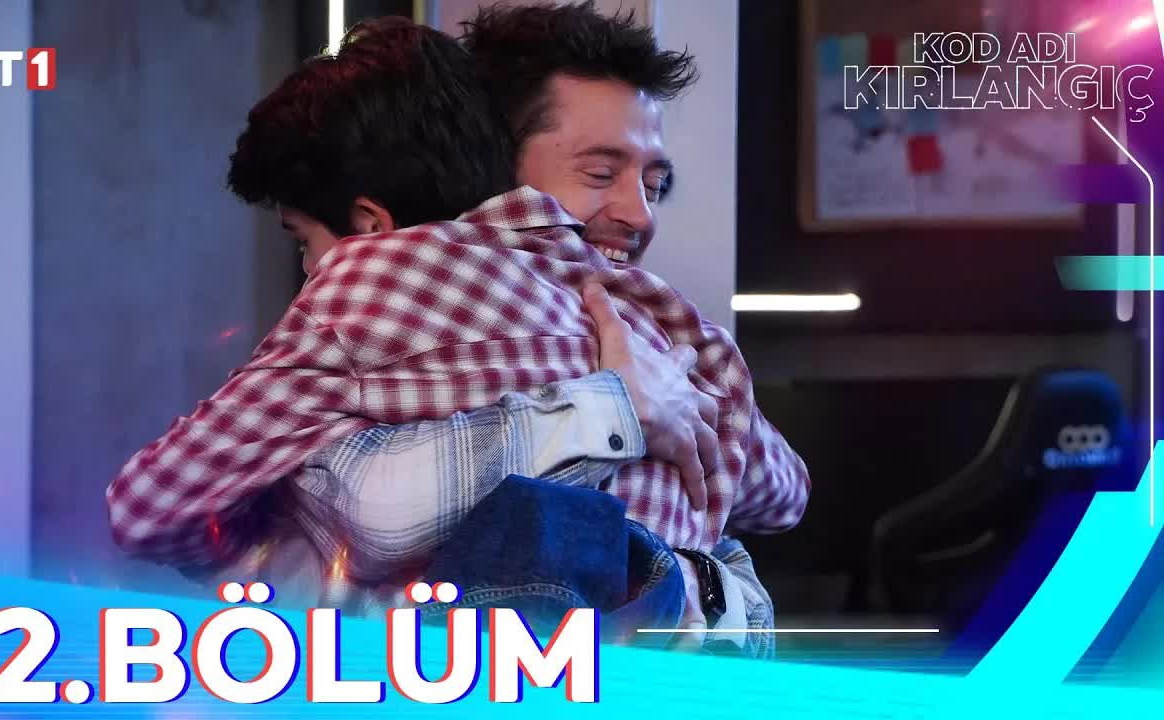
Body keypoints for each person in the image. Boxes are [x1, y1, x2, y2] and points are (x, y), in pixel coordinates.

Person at [107, 8, 805, 651]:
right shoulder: (673, 334)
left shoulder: (382, 282)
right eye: (600, 173)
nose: (640, 213)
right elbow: (782, 494)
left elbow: (150, 506)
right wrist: (623, 408)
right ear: (502, 161)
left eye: (655, 184)